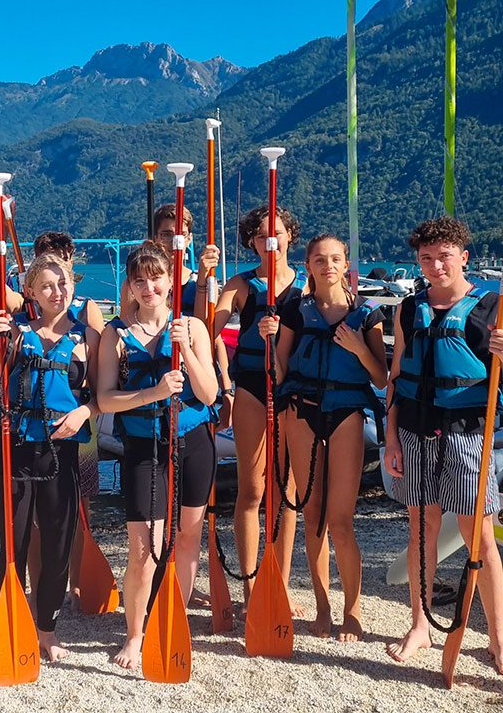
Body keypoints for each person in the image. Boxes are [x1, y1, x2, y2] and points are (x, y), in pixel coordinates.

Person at [384, 218, 503, 670]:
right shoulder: (409, 309)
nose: (435, 266)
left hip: (469, 435)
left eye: (445, 256)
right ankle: (420, 625)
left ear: (464, 257)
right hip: (414, 433)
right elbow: (397, 378)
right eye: (426, 258)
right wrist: (391, 437)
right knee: (422, 529)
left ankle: (498, 637)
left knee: (481, 539)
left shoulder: (492, 308)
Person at [97, 241, 218, 670]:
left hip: (193, 443)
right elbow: (106, 400)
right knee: (144, 548)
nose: (149, 287)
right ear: (130, 286)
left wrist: (187, 352)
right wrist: (153, 391)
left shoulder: (193, 327)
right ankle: (134, 634)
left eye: (157, 278)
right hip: (144, 446)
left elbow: (209, 394)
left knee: (187, 538)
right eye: (140, 280)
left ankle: (174, 619)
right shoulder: (116, 334)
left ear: (171, 280)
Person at [0, 253, 99, 661]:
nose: (57, 292)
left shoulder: (88, 338)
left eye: (63, 284)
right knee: (13, 539)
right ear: (30, 292)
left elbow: (102, 395)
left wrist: (84, 411)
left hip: (60, 453)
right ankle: (8, 617)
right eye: (46, 286)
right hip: (13, 449)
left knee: (58, 542)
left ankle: (46, 628)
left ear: (73, 286)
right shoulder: (13, 333)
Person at [266, 234, 387, 641]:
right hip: (301, 412)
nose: (328, 265)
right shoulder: (295, 312)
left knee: (340, 520)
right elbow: (279, 369)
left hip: (346, 414)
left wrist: (358, 348)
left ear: (346, 263)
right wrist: (269, 341)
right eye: (320, 259)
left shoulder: (366, 315)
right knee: (312, 516)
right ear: (309, 264)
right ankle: (322, 607)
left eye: (335, 259)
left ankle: (352, 611)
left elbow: (380, 376)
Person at [0, 230, 105, 610]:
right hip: (25, 438)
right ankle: (30, 592)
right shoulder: (19, 323)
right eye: (46, 260)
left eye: (62, 262)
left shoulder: (87, 318)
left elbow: (101, 386)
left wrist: (85, 412)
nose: (57, 285)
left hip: (74, 434)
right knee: (25, 526)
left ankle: (70, 588)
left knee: (76, 510)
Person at [213, 205, 306, 614]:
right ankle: (252, 588)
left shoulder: (306, 287)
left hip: (294, 390)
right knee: (253, 490)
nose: (271, 241)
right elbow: (206, 326)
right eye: (262, 235)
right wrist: (204, 282)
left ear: (290, 237)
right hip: (252, 387)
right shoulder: (242, 286)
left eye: (278, 233)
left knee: (287, 494)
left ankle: (278, 586)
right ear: (251, 241)